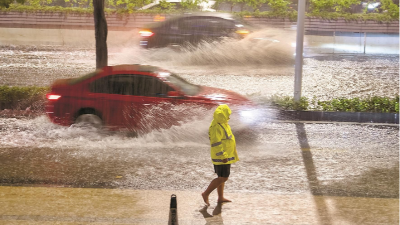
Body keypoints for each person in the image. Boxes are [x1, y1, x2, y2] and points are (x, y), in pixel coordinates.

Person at [202, 104, 239, 206]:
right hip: (222, 157)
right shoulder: (216, 127)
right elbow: (216, 144)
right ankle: (206, 193)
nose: (229, 117)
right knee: (223, 178)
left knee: (221, 177)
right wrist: (223, 156)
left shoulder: (223, 123)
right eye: (227, 115)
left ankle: (220, 197)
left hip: (225, 155)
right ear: (222, 115)